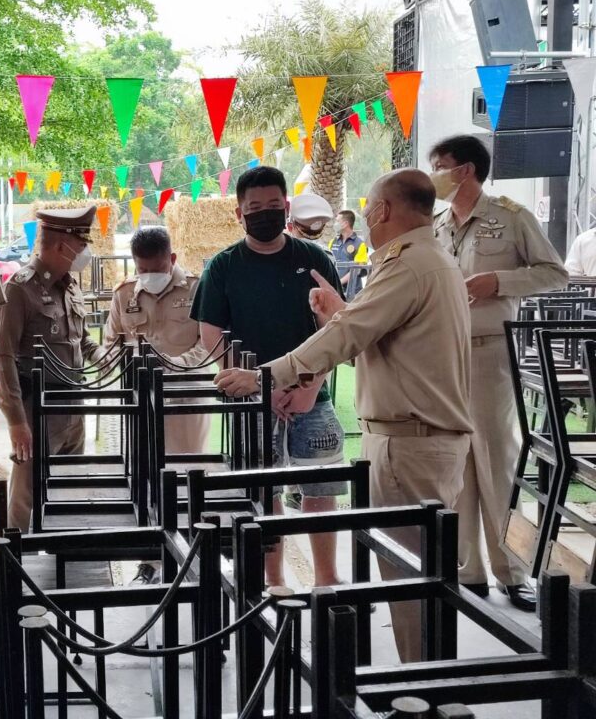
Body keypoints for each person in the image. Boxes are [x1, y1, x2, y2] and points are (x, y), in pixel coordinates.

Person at [215, 168, 472, 663]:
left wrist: (265, 376)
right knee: (415, 576)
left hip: (411, 441)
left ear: (383, 210)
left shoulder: (408, 264)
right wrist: (340, 313)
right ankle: (424, 681)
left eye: (370, 206)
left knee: (411, 579)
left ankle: (423, 686)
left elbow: (348, 336)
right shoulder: (430, 258)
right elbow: (373, 339)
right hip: (418, 435)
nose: (367, 215)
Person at [191, 166, 346, 589]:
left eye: (273, 205)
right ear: (239, 213)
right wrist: (261, 389)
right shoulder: (222, 266)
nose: (265, 214)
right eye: (255, 207)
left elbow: (336, 327)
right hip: (250, 401)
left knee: (321, 489)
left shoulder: (314, 259)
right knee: (264, 491)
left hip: (313, 396)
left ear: (286, 206)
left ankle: (327, 578)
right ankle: (272, 579)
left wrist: (310, 387)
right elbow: (210, 335)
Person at [431, 135, 568, 612]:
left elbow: (555, 273)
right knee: (457, 462)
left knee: (496, 461)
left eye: (440, 165)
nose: (435, 174)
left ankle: (511, 570)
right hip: (445, 356)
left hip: (490, 351)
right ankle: (468, 569)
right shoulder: (437, 225)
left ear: (465, 170)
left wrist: (500, 282)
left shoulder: (510, 216)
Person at [0, 205, 101, 530]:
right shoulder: (19, 289)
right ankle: (17, 556)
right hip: (37, 410)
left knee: (70, 490)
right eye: (81, 245)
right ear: (61, 246)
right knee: (26, 495)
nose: (85, 253)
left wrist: (105, 356)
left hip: (73, 406)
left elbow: (81, 340)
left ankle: (64, 553)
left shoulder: (70, 285)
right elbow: (3, 358)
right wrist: (16, 421)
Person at [105, 226, 208, 454]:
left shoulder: (197, 288)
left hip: (186, 392)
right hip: (139, 393)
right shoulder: (124, 293)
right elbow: (111, 343)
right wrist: (124, 364)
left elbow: (208, 342)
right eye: (143, 269)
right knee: (142, 460)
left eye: (159, 268)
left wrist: (178, 364)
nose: (151, 275)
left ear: (172, 259)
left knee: (189, 461)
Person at [330, 209, 368, 293]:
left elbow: (358, 270)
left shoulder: (360, 244)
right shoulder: (333, 242)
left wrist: (338, 283)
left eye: (337, 221)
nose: (335, 224)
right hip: (335, 290)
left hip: (353, 292)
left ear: (346, 223)